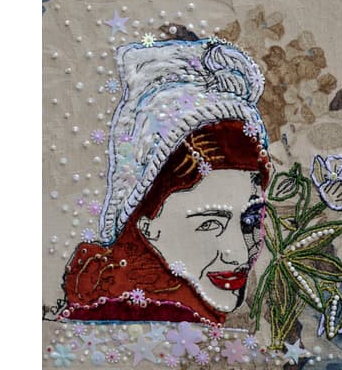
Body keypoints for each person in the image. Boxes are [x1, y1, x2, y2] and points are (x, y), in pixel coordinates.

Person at [60, 38, 272, 326]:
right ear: (145, 225)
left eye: (250, 221)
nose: (239, 253)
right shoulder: (141, 323)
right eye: (209, 223)